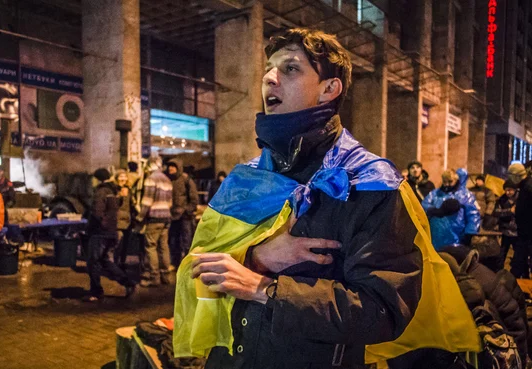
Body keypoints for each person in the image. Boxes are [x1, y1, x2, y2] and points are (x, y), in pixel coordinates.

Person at [174, 28, 480, 369]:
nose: (270, 79)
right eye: (268, 70)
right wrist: (256, 257)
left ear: (329, 89)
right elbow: (195, 269)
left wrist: (266, 289)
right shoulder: (246, 178)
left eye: (290, 69)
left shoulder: (370, 183)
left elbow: (384, 309)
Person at [84, 168, 135, 302]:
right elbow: (117, 207)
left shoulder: (101, 192)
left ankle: (96, 291)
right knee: (105, 261)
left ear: (98, 179)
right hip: (112, 231)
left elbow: (97, 212)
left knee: (93, 261)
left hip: (100, 232)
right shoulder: (113, 191)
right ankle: (128, 282)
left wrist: (96, 225)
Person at [136, 156, 173, 287]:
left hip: (155, 217)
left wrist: (140, 217)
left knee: (151, 246)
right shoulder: (167, 179)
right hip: (166, 217)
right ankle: (165, 276)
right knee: (164, 246)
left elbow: (147, 201)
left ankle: (154, 277)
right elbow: (170, 202)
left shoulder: (151, 179)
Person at [422, 169, 481, 249]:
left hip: (457, 235)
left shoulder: (465, 195)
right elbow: (424, 205)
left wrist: (470, 232)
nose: (447, 184)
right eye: (444, 181)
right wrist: (433, 210)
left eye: (450, 181)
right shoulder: (435, 193)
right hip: (436, 235)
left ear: (456, 180)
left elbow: (473, 214)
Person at [166, 158, 198, 267]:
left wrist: (187, 210)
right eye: (169, 166)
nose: (170, 168)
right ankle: (176, 263)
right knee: (173, 241)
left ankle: (188, 265)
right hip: (172, 216)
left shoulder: (186, 179)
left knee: (186, 242)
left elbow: (194, 199)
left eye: (173, 166)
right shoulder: (168, 180)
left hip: (185, 217)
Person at [507, 163, 532, 278]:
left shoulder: (528, 187)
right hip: (525, 232)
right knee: (519, 261)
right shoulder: (525, 186)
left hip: (527, 233)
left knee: (519, 260)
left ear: (516, 176)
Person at [494, 180, 519, 269]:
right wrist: (509, 211)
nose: (508, 192)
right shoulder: (502, 199)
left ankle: (519, 272)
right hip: (505, 231)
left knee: (519, 254)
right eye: (506, 190)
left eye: (510, 190)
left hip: (518, 231)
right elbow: (496, 212)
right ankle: (499, 270)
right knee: (502, 253)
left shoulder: (521, 198)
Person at [114, 169, 134, 266]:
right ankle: (115, 263)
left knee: (125, 244)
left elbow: (131, 204)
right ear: (116, 178)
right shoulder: (114, 189)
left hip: (127, 221)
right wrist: (119, 196)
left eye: (124, 176)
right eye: (121, 176)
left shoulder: (129, 189)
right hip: (118, 221)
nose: (123, 178)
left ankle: (122, 263)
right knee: (118, 243)